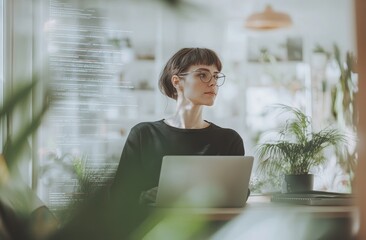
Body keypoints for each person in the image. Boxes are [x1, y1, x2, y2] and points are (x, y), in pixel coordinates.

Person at [111, 47, 246, 206]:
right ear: (177, 82)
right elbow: (120, 196)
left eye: (216, 76)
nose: (212, 82)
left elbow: (238, 193)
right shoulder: (144, 134)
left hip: (215, 228)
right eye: (202, 75)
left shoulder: (229, 140)